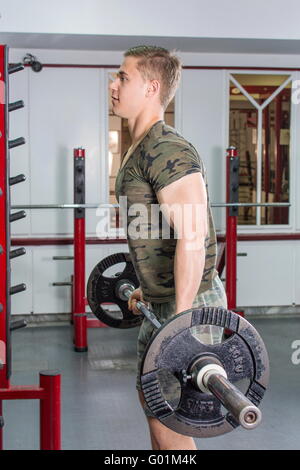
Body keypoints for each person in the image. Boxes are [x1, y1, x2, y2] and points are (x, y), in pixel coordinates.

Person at [110, 45, 227, 450]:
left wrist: (179, 321)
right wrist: (152, 287)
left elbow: (192, 236)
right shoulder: (139, 148)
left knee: (174, 416)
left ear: (151, 87)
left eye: (123, 77)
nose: (114, 84)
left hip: (188, 305)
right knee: (155, 402)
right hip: (166, 301)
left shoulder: (167, 148)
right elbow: (158, 229)